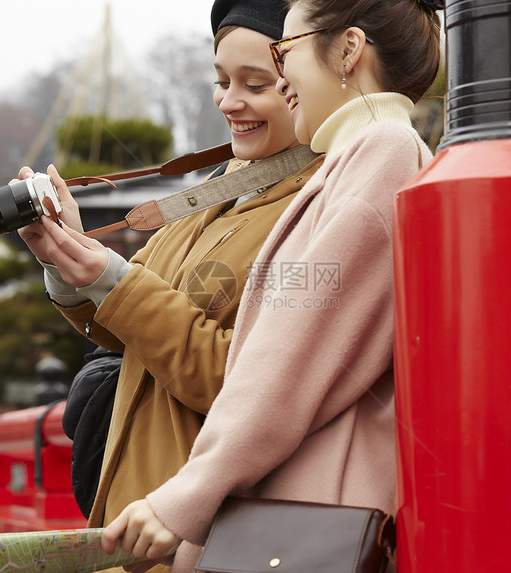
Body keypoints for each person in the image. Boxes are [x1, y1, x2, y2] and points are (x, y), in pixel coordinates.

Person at [100, 0, 442, 570]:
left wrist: (182, 500)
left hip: (307, 510)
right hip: (303, 510)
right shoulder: (369, 157)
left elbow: (287, 359)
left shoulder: (381, 154)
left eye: (285, 54)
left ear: (349, 51)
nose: (284, 81)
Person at [14, 0, 324, 556]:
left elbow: (255, 385)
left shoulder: (324, 205)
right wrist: (69, 264)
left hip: (207, 530)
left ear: (305, 81)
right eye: (221, 80)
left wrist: (115, 281)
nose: (229, 102)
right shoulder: (221, 187)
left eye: (256, 84)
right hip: (141, 511)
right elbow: (129, 328)